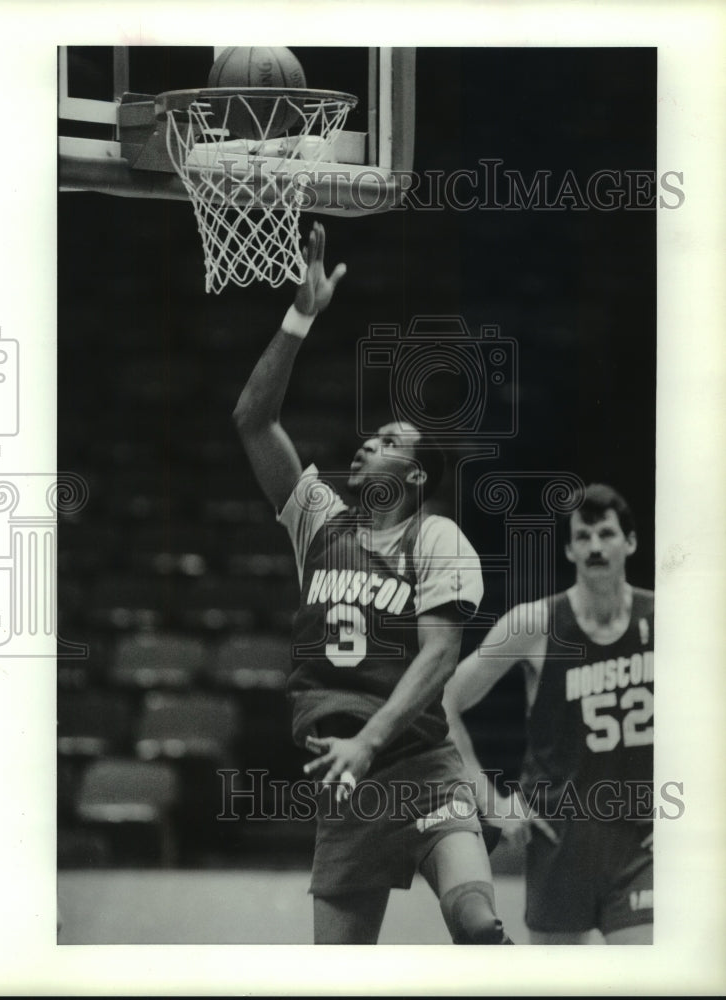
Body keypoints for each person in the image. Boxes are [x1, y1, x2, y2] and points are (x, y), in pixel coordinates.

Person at [233, 221, 512, 945]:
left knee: (476, 922)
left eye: (389, 441)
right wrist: (301, 316)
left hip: (418, 764)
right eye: (372, 435)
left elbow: (437, 657)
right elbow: (252, 419)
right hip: (345, 781)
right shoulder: (318, 520)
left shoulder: (437, 537)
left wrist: (370, 740)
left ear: (416, 476)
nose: (367, 442)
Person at [443, 483, 654, 944]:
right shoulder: (533, 625)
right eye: (583, 537)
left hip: (642, 841)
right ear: (569, 549)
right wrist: (490, 800)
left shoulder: (667, 619)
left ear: (631, 542)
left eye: (606, 534)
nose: (595, 547)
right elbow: (442, 703)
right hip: (561, 841)